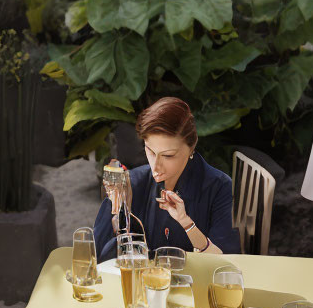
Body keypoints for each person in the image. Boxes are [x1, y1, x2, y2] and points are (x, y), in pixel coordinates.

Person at [93, 97, 241, 261]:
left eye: (168, 156)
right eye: (150, 151)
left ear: (191, 148)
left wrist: (186, 223)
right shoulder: (131, 184)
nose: (156, 166)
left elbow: (227, 261)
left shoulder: (218, 186)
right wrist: (118, 217)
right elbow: (98, 258)